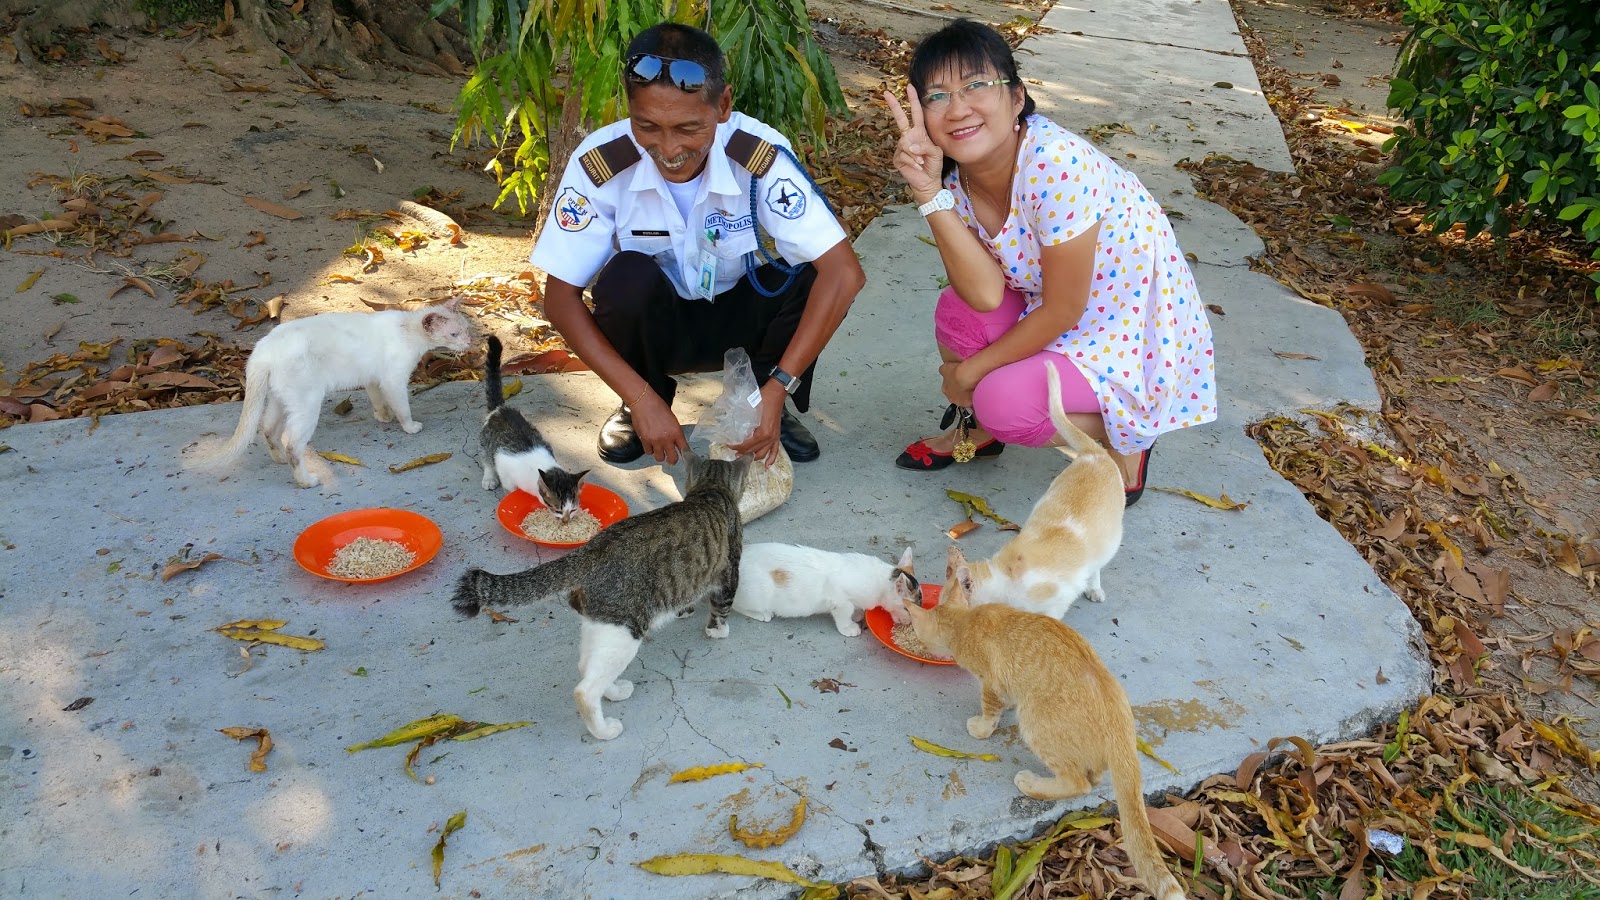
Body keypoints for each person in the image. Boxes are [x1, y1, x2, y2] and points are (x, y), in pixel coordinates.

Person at [885, 19, 1216, 505]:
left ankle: (1128, 435)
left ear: (1017, 98)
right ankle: (980, 431)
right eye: (937, 96)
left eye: (976, 85)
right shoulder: (955, 177)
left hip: (1128, 325)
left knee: (1004, 401)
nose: (957, 109)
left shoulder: (1055, 162)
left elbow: (1064, 311)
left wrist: (969, 375)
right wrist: (928, 193)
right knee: (959, 312)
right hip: (1058, 305)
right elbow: (982, 295)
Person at [531, 22, 865, 467]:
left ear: (723, 105)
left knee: (810, 272)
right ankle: (641, 406)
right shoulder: (602, 163)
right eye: (647, 125)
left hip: (740, 323)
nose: (668, 148)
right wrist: (641, 397)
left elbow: (846, 274)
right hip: (659, 331)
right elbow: (559, 299)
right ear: (628, 107)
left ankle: (766, 402)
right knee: (625, 278)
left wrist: (779, 383)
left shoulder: (758, 153)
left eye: (688, 128)